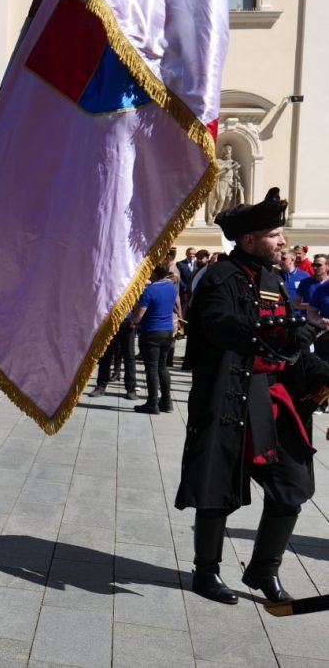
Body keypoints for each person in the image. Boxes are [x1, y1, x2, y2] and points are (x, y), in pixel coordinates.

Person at [176, 187, 329, 606]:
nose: (282, 241)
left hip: (271, 397)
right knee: (217, 485)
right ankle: (205, 572)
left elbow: (290, 347)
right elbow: (221, 326)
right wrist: (276, 335)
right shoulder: (220, 278)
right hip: (228, 395)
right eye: (274, 234)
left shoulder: (271, 278)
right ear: (248, 240)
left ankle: (264, 569)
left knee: (293, 487)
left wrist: (320, 371)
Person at [131, 265, 182, 413]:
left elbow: (139, 315)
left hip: (152, 332)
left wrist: (133, 322)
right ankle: (166, 402)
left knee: (151, 369)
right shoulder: (171, 288)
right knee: (162, 367)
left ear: (153, 273)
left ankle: (152, 403)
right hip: (167, 331)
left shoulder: (149, 291)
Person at [87, 311, 138, 400]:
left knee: (129, 356)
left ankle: (131, 389)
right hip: (109, 320)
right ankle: (101, 386)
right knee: (105, 354)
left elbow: (139, 302)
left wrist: (135, 319)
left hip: (127, 321)